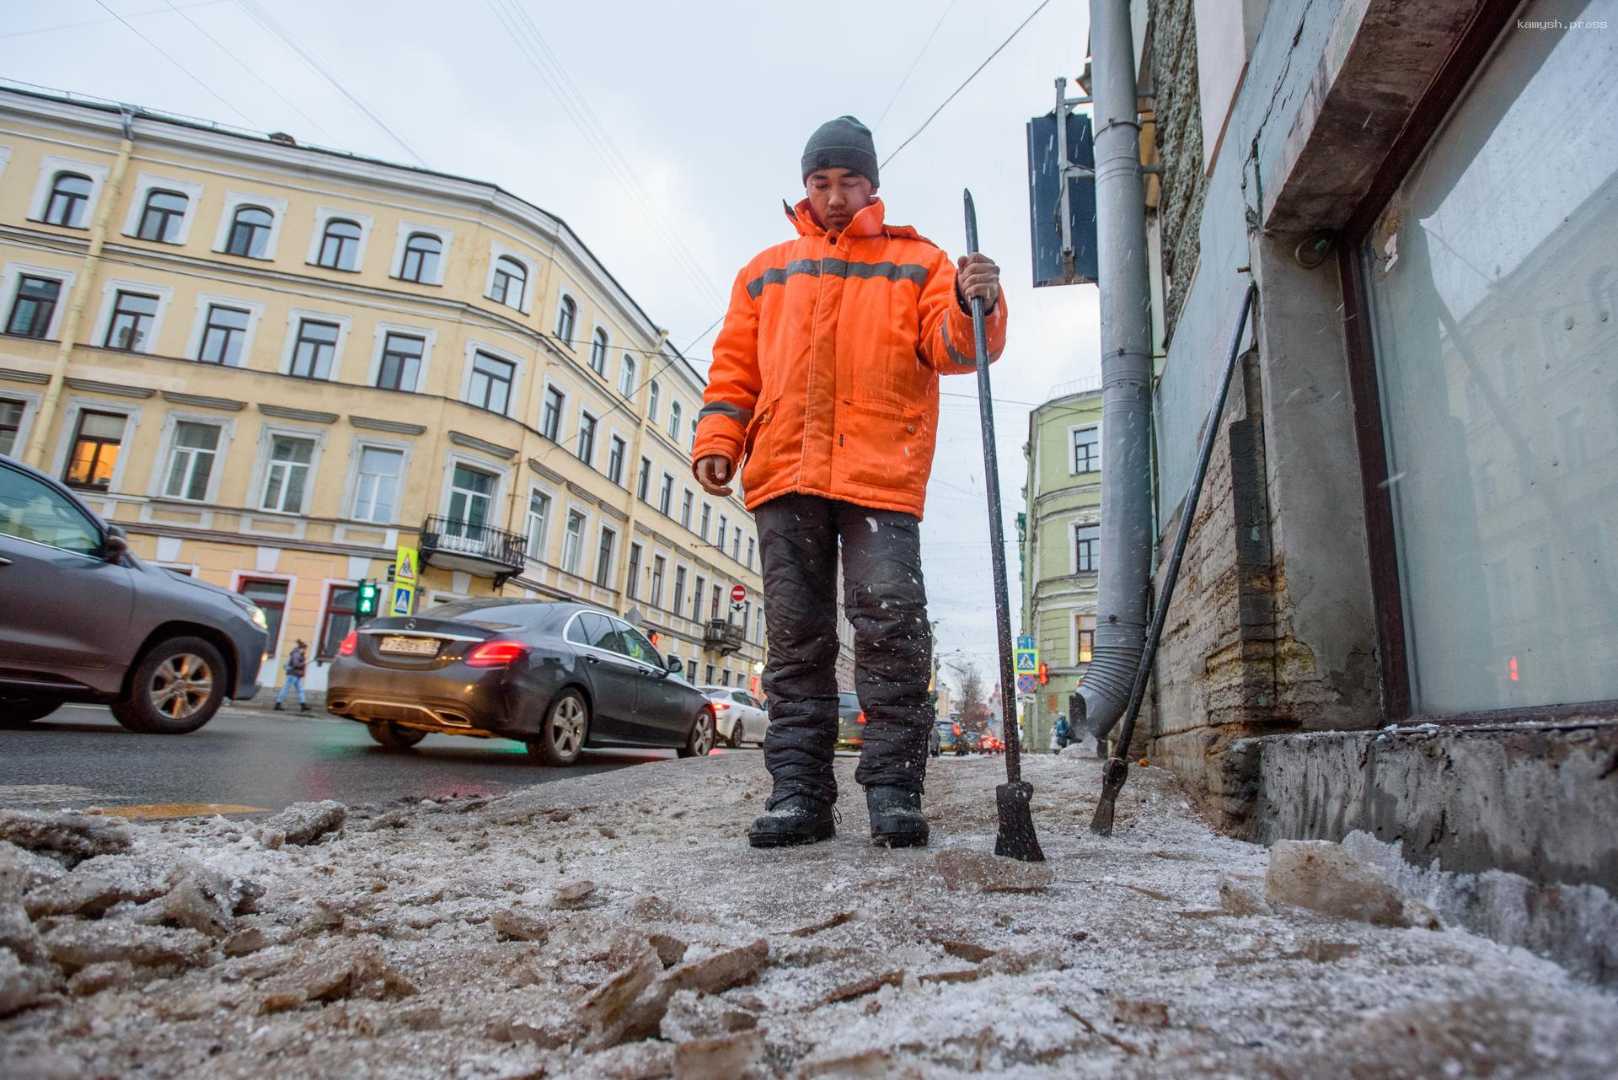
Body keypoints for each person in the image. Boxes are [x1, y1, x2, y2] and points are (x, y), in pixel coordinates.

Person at [693, 115, 1006, 849]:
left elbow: (953, 348)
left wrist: (977, 302)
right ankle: (798, 795)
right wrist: (718, 440)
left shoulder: (919, 261)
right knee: (796, 641)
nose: (835, 197)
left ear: (872, 185)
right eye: (821, 182)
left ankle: (894, 791)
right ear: (805, 186)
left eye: (849, 182)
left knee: (891, 629)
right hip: (785, 472)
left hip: (880, 475)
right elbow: (735, 370)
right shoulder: (766, 270)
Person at [273, 639, 310, 713]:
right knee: (286, 689)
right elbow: (296, 664)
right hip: (292, 674)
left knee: (300, 690)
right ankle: (278, 704)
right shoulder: (296, 654)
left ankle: (303, 705)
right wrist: (304, 663)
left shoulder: (298, 654)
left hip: (296, 674)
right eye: (304, 649)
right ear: (301, 648)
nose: (305, 651)